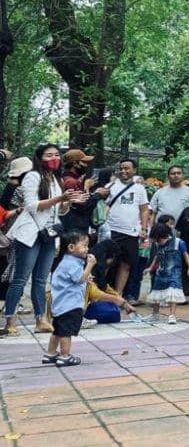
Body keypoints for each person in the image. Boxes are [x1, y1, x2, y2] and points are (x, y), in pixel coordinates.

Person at [3, 144, 80, 336]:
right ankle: (10, 321)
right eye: (49, 155)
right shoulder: (33, 176)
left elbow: (58, 211)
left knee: (41, 280)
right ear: (39, 158)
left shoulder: (55, 179)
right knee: (20, 279)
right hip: (30, 234)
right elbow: (31, 206)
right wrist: (60, 198)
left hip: (49, 234)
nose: (54, 158)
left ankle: (41, 319)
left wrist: (68, 201)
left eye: (56, 155)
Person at [42, 229, 96, 367]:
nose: (87, 249)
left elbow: (74, 279)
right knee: (66, 332)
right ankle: (65, 356)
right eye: (84, 245)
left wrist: (86, 276)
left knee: (58, 331)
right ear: (71, 248)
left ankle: (50, 353)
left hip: (60, 304)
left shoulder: (66, 261)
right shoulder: (72, 263)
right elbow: (79, 279)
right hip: (70, 304)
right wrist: (90, 265)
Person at [105, 158, 151, 298]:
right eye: (121, 168)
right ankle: (99, 292)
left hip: (131, 232)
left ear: (134, 170)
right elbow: (105, 205)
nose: (124, 171)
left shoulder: (140, 188)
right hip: (112, 230)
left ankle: (119, 294)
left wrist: (144, 229)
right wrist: (102, 224)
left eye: (127, 168)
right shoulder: (111, 186)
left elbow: (144, 209)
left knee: (126, 264)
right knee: (107, 262)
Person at [145, 222, 189, 324]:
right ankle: (155, 314)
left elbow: (186, 255)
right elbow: (157, 256)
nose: (158, 242)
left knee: (173, 292)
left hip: (174, 273)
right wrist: (151, 268)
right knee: (156, 293)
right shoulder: (158, 244)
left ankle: (172, 315)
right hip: (161, 272)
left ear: (165, 235)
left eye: (159, 239)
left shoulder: (178, 243)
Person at [0, 157, 28, 304]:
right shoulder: (20, 189)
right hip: (14, 231)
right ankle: (10, 299)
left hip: (5, 230)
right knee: (13, 266)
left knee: (5, 264)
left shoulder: (9, 186)